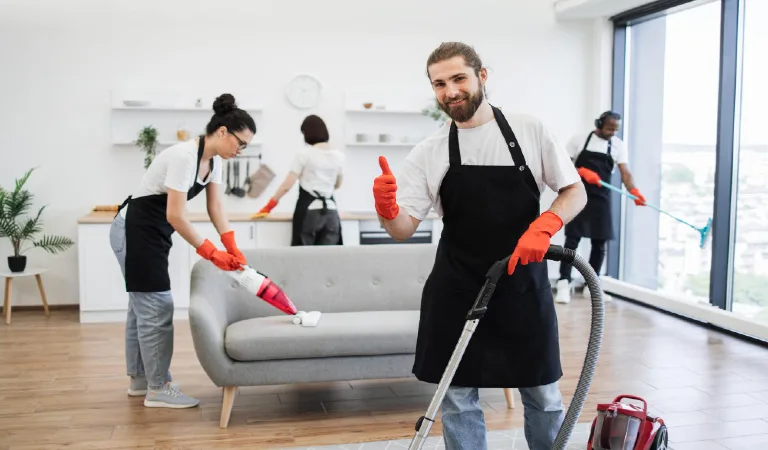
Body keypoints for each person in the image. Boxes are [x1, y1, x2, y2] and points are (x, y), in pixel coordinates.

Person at [372, 42, 587, 450]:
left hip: (523, 285)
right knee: (457, 401)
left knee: (542, 395)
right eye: (439, 84)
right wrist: (385, 207)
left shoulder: (529, 129)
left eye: (458, 79)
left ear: (481, 76)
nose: (450, 91)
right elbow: (401, 229)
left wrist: (545, 225)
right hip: (456, 288)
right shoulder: (430, 151)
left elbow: (573, 191)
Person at [110, 93, 255, 408]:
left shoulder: (213, 161)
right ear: (222, 132)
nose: (241, 151)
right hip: (135, 230)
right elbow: (175, 215)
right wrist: (212, 253)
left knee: (141, 308)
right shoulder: (184, 156)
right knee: (156, 307)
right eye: (240, 143)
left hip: (152, 232)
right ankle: (159, 388)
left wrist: (230, 244)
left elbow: (215, 206)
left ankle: (140, 381)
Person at [554, 111, 646, 304]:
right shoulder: (579, 140)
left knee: (600, 243)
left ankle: (592, 286)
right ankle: (564, 282)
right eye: (609, 128)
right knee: (572, 241)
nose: (612, 132)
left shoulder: (618, 146)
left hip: (601, 199)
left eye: (616, 129)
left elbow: (625, 173)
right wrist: (582, 171)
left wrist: (634, 191)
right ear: (599, 124)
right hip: (577, 195)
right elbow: (563, 165)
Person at [255, 114, 345, 246]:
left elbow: (287, 185)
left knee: (303, 259)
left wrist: (268, 207)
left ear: (307, 133)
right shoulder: (339, 157)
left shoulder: (304, 154)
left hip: (309, 212)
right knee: (329, 259)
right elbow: (337, 185)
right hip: (331, 213)